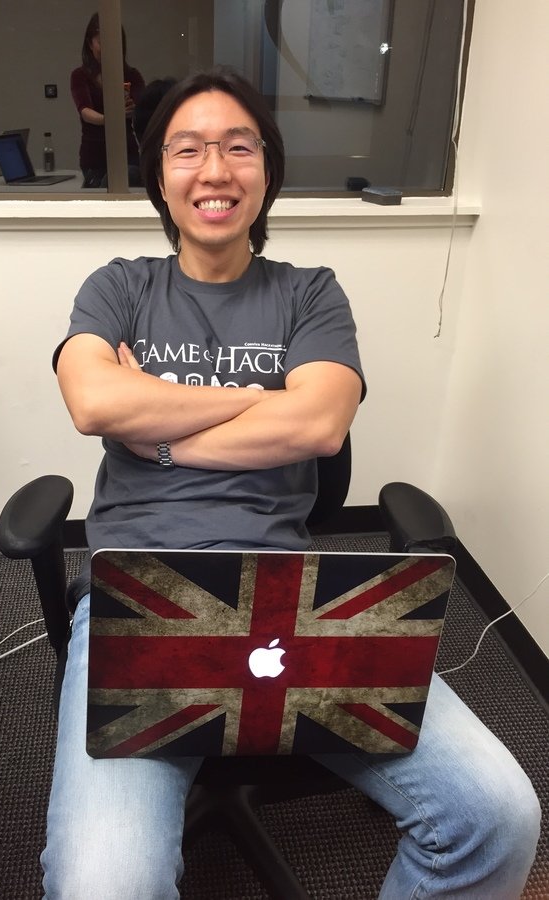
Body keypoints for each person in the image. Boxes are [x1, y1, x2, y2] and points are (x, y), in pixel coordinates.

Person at [43, 67, 540, 898]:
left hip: (293, 598)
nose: (214, 170)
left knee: (496, 815)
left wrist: (157, 428)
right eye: (187, 150)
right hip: (140, 594)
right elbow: (94, 402)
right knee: (105, 883)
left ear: (267, 170)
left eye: (238, 148)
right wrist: (261, 398)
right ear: (160, 175)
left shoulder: (310, 294)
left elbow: (316, 426)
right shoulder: (120, 286)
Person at [70, 13, 145, 188]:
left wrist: (133, 110)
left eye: (114, 42)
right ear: (90, 44)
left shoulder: (132, 75)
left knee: (131, 178)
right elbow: (85, 111)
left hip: (127, 153)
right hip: (95, 156)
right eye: (101, 42)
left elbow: (143, 110)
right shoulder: (80, 75)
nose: (109, 48)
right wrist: (112, 118)